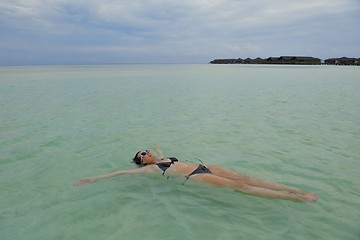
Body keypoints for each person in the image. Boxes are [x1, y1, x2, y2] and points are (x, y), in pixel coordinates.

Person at [74, 145, 318, 202]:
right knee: (241, 188)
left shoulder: (162, 157)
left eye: (146, 150)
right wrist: (95, 178)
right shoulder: (150, 169)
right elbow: (121, 172)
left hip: (207, 165)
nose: (146, 152)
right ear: (142, 161)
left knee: (247, 178)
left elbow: (161, 150)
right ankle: (296, 198)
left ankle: (294, 188)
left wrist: (158, 147)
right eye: (142, 153)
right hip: (197, 176)